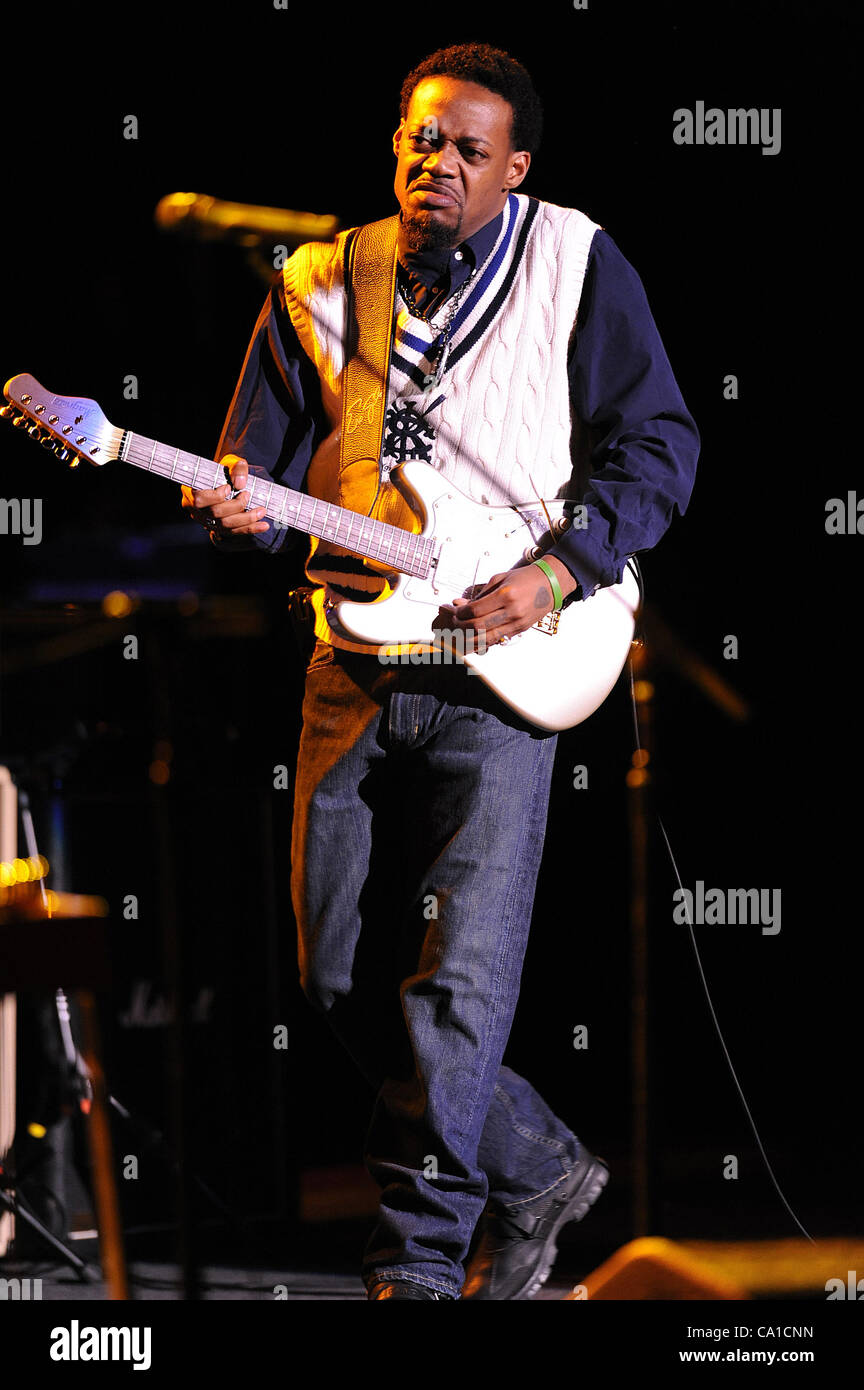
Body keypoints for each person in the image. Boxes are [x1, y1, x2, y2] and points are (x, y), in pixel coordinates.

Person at [182, 42, 699, 1300]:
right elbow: (254, 461)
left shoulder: (576, 259)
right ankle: (535, 1164)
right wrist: (245, 510)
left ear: (513, 166)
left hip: (503, 671)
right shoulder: (318, 278)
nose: (439, 164)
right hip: (353, 665)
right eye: (423, 140)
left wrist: (560, 570)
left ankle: (413, 1266)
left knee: (459, 983)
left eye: (470, 149)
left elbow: (662, 444)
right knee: (339, 976)